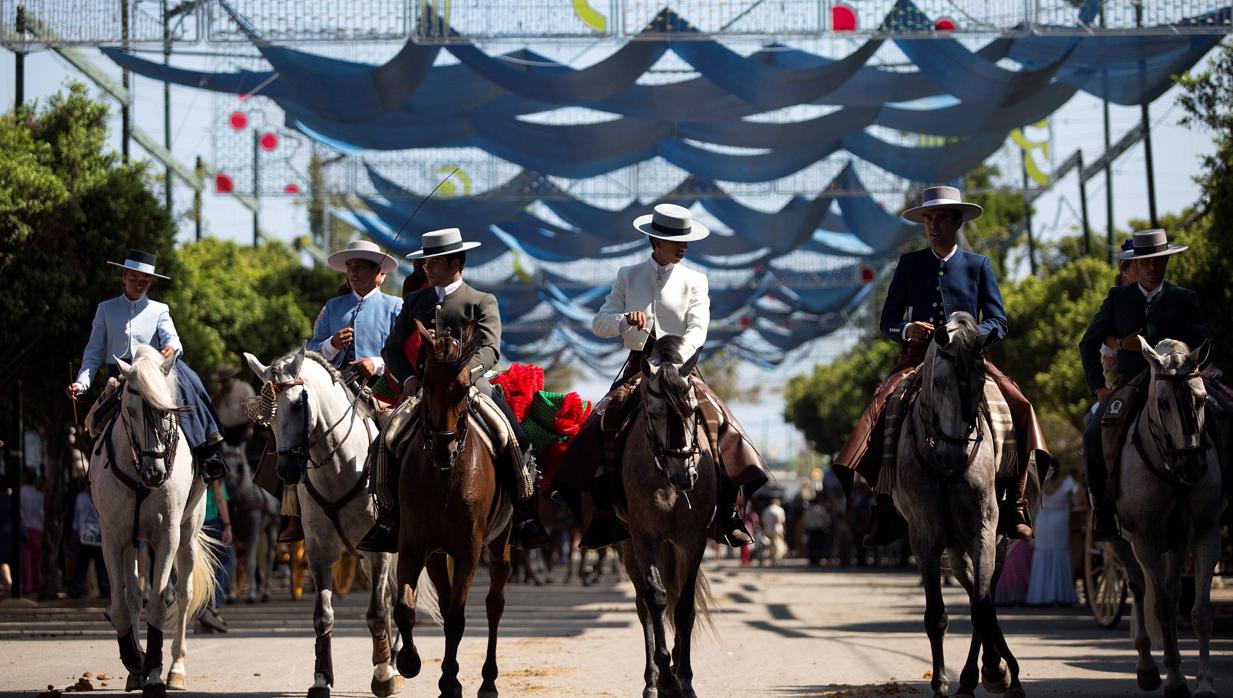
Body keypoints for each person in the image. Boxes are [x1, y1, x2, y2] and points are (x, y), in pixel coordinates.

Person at [833, 186, 1051, 545]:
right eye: (928, 219)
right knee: (882, 406)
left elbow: (999, 320)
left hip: (968, 358)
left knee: (1019, 403)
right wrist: (907, 328)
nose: (933, 225)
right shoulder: (909, 264)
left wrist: (973, 336)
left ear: (956, 221)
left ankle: (1015, 501)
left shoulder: (979, 265)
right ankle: (884, 502)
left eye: (940, 218)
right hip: (918, 357)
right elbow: (887, 320)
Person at [551, 203, 768, 549]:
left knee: (719, 418)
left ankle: (727, 509)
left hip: (681, 367)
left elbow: (699, 328)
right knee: (601, 419)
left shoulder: (696, 280)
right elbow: (599, 321)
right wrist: (624, 321)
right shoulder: (628, 274)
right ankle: (600, 509)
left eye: (686, 239)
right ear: (655, 241)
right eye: (675, 239)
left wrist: (675, 358)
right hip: (639, 367)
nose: (683, 246)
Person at [360, 227, 550, 552]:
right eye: (425, 263)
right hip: (424, 392)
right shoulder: (414, 302)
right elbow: (392, 349)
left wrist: (467, 374)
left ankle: (525, 513)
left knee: (512, 435)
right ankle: (388, 518)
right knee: (385, 439)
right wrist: (408, 379)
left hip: (473, 387)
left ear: (456, 263)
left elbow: (490, 348)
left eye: (434, 262)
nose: (427, 269)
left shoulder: (480, 300)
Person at [1078, 228, 1209, 540]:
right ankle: (1105, 511)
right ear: (1134, 264)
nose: (1153, 266)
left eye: (1159, 259)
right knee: (1094, 431)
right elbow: (1088, 343)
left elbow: (1202, 339)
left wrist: (1191, 363)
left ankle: (1221, 497)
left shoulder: (1183, 297)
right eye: (1147, 260)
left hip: (1177, 379)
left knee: (1221, 413)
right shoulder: (1118, 298)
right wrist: (1099, 388)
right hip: (1132, 383)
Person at [275, 240, 403, 544]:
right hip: (336, 385)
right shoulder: (332, 308)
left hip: (381, 389)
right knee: (289, 428)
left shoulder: (395, 307)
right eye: (350, 267)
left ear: (380, 275)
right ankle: (293, 510)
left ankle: (395, 505)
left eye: (360, 267)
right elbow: (312, 351)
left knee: (399, 436)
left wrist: (376, 363)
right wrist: (332, 344)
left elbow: (403, 353)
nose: (353, 272)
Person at [65, 249, 228, 482]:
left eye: (145, 281)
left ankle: (208, 448)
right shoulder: (106, 309)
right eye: (134, 279)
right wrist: (81, 384)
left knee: (190, 378)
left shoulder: (159, 309)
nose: (140, 284)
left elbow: (172, 338)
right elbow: (93, 353)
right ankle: (99, 474)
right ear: (123, 277)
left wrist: (171, 348)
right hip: (121, 376)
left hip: (152, 375)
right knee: (95, 424)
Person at [1025, 473, 1078, 606]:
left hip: (1042, 523)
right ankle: (1060, 595)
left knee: (1041, 557)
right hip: (1059, 522)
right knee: (1059, 556)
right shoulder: (1067, 484)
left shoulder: (1040, 484)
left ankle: (1040, 596)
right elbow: (1076, 501)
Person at [198, 479, 233, 632]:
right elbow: (219, 498)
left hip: (196, 524)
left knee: (200, 571)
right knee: (225, 562)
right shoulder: (216, 473)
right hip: (213, 523)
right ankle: (212, 607)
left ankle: (200, 616)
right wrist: (227, 525)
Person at [213, 365, 256, 448]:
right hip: (225, 430)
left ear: (232, 377)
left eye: (225, 381)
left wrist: (250, 429)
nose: (223, 384)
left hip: (241, 429)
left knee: (241, 457)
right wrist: (219, 395)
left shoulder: (245, 388)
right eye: (221, 382)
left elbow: (253, 411)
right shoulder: (221, 393)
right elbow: (214, 407)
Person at [18, 470, 43, 594]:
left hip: (24, 527)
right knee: (37, 560)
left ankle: (27, 586)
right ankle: (37, 584)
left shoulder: (20, 492)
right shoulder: (40, 494)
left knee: (25, 559)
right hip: (38, 528)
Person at [761, 497, 787, 567]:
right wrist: (784, 530)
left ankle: (771, 559)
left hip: (768, 529)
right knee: (778, 544)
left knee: (770, 546)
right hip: (777, 530)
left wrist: (764, 530)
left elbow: (764, 521)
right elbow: (782, 521)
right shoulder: (780, 510)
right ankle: (777, 559)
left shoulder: (766, 510)